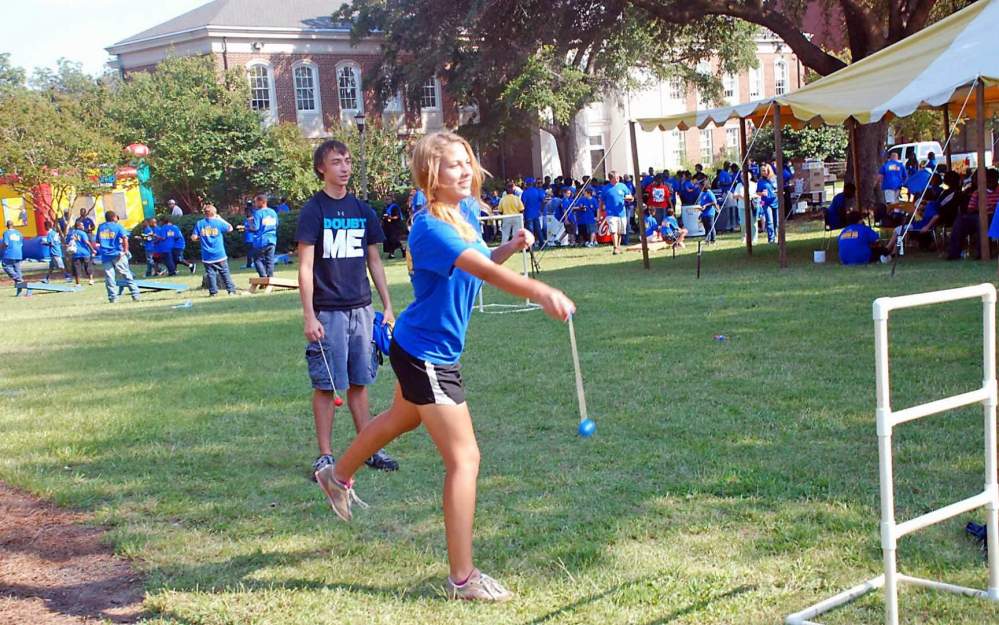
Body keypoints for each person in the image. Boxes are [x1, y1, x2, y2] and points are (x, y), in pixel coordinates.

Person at [314, 130, 575, 602]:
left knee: (400, 418)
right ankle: (463, 579)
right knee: (465, 459)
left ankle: (335, 476)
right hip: (426, 354)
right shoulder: (429, 227)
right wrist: (539, 290)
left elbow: (478, 263)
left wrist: (511, 247)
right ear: (431, 176)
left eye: (466, 162)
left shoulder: (466, 213)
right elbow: (483, 272)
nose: (464, 170)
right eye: (452, 164)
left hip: (423, 347)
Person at [297, 139, 400, 480]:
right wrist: (309, 315)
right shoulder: (314, 211)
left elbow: (374, 261)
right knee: (327, 385)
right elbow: (305, 266)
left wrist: (386, 305)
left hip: (362, 309)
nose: (344, 167)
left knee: (360, 380)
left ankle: (367, 447)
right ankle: (325, 457)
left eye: (347, 161)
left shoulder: (363, 210)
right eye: (336, 162)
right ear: (321, 168)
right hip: (328, 311)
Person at [951, 168, 999, 260]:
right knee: (960, 220)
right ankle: (954, 253)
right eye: (989, 178)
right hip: (979, 215)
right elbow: (970, 209)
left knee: (982, 221)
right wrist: (981, 209)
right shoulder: (977, 192)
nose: (991, 181)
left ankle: (983, 253)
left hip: (995, 216)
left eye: (993, 178)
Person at [191, 204, 239, 296]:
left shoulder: (200, 223)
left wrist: (199, 238)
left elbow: (194, 237)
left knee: (211, 274)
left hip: (206, 254)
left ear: (205, 213)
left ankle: (213, 292)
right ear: (215, 213)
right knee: (225, 272)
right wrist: (220, 218)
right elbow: (230, 228)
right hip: (219, 253)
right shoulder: (218, 222)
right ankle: (231, 290)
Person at [95, 211, 141, 303]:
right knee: (126, 274)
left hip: (105, 255)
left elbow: (98, 241)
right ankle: (135, 294)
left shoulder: (101, 227)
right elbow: (125, 238)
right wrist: (125, 250)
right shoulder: (118, 226)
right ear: (113, 217)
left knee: (109, 277)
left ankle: (113, 298)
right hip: (117, 254)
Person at [599, 171, 633, 255]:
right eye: (616, 178)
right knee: (613, 231)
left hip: (622, 213)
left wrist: (630, 198)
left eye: (618, 177)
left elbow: (630, 196)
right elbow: (601, 201)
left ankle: (618, 246)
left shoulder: (623, 186)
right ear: (611, 179)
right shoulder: (606, 188)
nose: (618, 179)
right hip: (611, 213)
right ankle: (615, 248)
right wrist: (600, 211)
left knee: (620, 232)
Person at [249, 193, 279, 278]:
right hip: (272, 239)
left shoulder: (258, 213)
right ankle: (270, 278)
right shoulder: (273, 212)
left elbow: (255, 228)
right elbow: (276, 224)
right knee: (270, 260)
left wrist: (249, 225)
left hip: (261, 240)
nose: (255, 204)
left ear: (261, 202)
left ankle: (263, 278)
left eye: (256, 202)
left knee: (257, 260)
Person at [1, 221, 28, 296]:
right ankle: (19, 293)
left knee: (5, 265)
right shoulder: (19, 233)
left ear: (7, 225)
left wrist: (1, 247)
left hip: (10, 253)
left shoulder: (6, 233)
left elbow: (6, 243)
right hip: (18, 253)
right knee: (18, 270)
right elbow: (21, 244)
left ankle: (19, 279)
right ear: (13, 225)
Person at [68, 219, 96, 286]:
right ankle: (91, 280)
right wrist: (93, 250)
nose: (83, 226)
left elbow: (67, 242)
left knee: (77, 269)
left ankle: (78, 283)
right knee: (88, 267)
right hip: (85, 252)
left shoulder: (71, 233)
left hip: (75, 253)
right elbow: (87, 242)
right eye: (82, 225)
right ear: (78, 226)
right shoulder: (82, 233)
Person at [520, 178, 545, 248]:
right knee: (538, 229)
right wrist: (541, 209)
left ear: (527, 184)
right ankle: (542, 242)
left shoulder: (525, 192)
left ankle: (531, 244)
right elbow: (543, 200)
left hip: (528, 214)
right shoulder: (537, 191)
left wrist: (522, 213)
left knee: (530, 230)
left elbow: (523, 204)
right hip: (536, 213)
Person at [756, 164, 779, 243]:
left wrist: (777, 192)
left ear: (768, 170)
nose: (763, 172)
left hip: (775, 202)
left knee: (776, 221)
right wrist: (761, 193)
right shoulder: (760, 181)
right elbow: (757, 192)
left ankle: (777, 236)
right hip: (765, 203)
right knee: (769, 221)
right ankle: (771, 239)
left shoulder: (774, 179)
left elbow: (779, 188)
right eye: (761, 171)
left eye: (764, 170)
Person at [698, 179, 719, 244]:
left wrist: (706, 205)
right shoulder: (702, 193)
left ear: (704, 186)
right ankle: (707, 240)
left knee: (710, 226)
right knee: (706, 228)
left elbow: (714, 202)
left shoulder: (709, 193)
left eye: (700, 186)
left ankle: (713, 240)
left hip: (709, 213)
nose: (699, 187)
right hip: (703, 213)